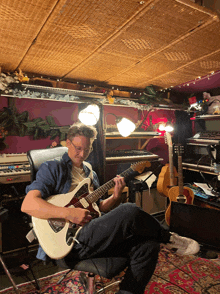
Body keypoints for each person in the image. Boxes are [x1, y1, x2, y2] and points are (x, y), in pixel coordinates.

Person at [21, 122, 200, 294]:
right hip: (68, 240)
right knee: (129, 209)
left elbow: (98, 208)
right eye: (77, 148)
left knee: (148, 246)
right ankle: (169, 238)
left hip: (94, 232)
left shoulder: (90, 171)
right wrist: (68, 213)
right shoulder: (52, 167)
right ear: (67, 143)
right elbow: (28, 204)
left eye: (87, 149)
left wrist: (115, 196)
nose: (82, 154)